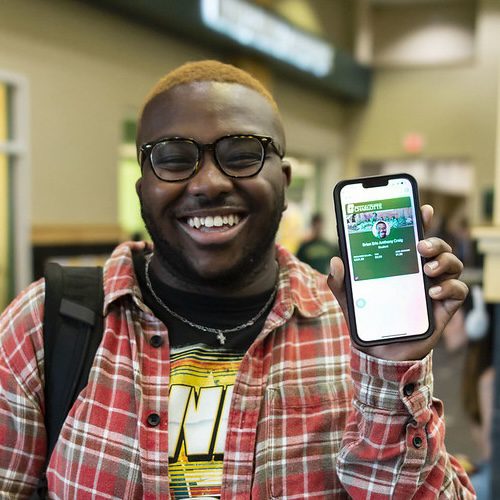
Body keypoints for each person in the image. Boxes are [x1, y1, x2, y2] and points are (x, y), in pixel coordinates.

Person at [0, 60, 474, 498]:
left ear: (285, 182)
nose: (208, 183)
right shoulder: (43, 327)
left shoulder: (353, 331)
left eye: (244, 154)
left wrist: (390, 376)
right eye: (173, 157)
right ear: (143, 187)